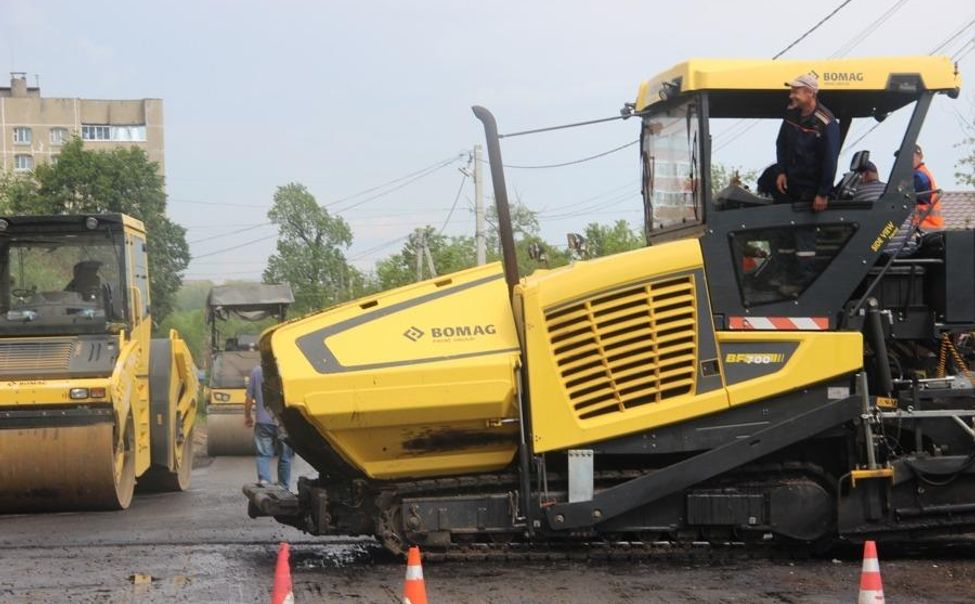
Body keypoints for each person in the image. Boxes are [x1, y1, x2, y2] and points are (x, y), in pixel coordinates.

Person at [769, 72, 841, 295]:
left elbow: (830, 159)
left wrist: (823, 193)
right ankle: (784, 278)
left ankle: (803, 287)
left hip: (811, 189)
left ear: (810, 93)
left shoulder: (826, 122)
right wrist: (781, 171)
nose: (791, 95)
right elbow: (781, 144)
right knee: (783, 233)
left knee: (804, 238)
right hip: (790, 185)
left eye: (795, 91)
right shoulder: (791, 115)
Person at [244, 362, 293, 489]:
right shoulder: (287, 369)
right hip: (284, 422)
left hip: (263, 422)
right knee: (285, 455)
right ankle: (283, 485)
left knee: (263, 454)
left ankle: (264, 480)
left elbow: (249, 398)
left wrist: (247, 416)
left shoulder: (256, 371)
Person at [912, 144, 943, 232]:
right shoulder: (921, 173)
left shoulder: (919, 176)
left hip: (924, 227)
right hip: (929, 226)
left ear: (919, 156)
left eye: (910, 156)